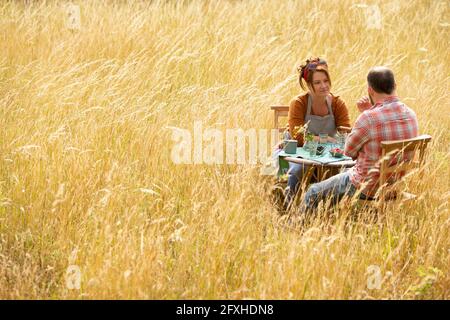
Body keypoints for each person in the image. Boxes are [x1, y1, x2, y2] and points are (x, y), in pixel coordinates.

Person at [300, 66, 419, 212]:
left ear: (370, 90)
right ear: (395, 86)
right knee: (344, 171)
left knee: (313, 191)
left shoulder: (368, 118)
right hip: (395, 185)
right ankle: (337, 216)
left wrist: (368, 111)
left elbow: (348, 152)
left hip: (367, 187)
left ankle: (298, 228)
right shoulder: (411, 114)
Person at [283, 57, 351, 209]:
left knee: (347, 169)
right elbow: (299, 138)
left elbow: (345, 133)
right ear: (308, 85)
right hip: (298, 152)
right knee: (298, 170)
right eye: (317, 83)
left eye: (326, 81)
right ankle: (289, 210)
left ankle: (331, 210)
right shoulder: (299, 103)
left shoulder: (337, 103)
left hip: (328, 153)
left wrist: (327, 142)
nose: (323, 86)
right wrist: (326, 138)